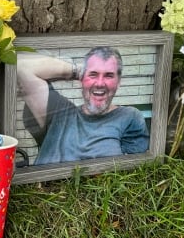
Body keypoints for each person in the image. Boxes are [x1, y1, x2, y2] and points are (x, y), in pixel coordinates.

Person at [17, 46, 149, 165]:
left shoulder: (129, 117)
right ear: (82, 78)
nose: (100, 83)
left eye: (109, 75)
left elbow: (132, 174)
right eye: (93, 74)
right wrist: (77, 70)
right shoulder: (58, 111)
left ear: (118, 82)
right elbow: (20, 66)